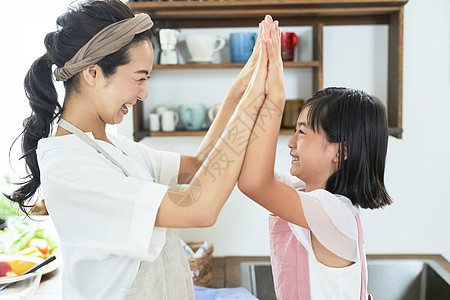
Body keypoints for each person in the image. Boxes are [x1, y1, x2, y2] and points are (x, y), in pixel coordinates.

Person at [6, 0, 279, 298]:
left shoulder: (114, 148)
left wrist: (245, 82)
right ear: (93, 73)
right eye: (139, 78)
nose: (144, 93)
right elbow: (199, 208)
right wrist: (256, 100)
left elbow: (201, 163)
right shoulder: (69, 166)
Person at [237, 67, 392, 297]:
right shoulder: (311, 197)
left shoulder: (332, 214)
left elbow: (254, 183)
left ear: (339, 153)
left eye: (301, 132)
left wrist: (275, 99)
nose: (290, 142)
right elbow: (253, 174)